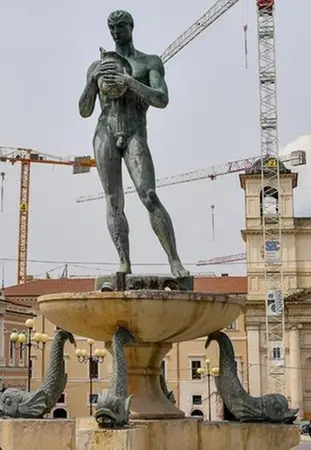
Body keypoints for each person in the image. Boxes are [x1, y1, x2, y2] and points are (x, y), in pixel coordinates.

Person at [78, 9, 190, 279]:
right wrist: (93, 81)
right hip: (105, 129)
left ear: (131, 27)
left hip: (134, 131)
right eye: (112, 28)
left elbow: (161, 99)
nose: (116, 32)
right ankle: (124, 261)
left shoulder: (149, 62)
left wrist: (129, 82)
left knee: (149, 194)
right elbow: (84, 110)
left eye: (121, 26)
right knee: (113, 200)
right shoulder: (97, 66)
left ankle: (174, 261)